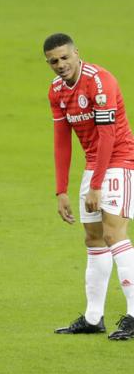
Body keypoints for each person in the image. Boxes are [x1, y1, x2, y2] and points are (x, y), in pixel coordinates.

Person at [44, 33, 134, 340]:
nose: (60, 65)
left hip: (120, 161)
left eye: (64, 57)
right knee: (93, 240)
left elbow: (108, 136)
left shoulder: (100, 81)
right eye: (53, 61)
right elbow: (61, 142)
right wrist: (61, 190)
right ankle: (94, 317)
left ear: (76, 53)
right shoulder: (56, 91)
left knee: (113, 234)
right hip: (93, 165)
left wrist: (96, 185)